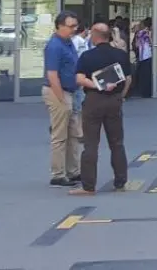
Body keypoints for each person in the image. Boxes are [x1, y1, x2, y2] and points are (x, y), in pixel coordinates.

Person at [69, 24, 133, 196]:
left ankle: (88, 186)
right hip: (114, 101)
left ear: (95, 36)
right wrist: (121, 96)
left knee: (90, 144)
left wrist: (97, 85)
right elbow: (128, 79)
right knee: (117, 143)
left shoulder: (87, 56)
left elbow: (79, 79)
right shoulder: (120, 55)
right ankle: (120, 182)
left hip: (94, 100)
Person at [43, 11, 83, 187]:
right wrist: (61, 99)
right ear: (59, 26)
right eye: (70, 26)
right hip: (58, 92)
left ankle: (73, 171)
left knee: (73, 134)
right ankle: (58, 174)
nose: (74, 29)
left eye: (75, 26)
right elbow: (52, 75)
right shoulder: (54, 46)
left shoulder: (68, 43)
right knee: (60, 135)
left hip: (70, 91)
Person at [132, 18, 154, 98]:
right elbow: (152, 44)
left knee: (143, 75)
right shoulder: (145, 33)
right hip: (148, 55)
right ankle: (147, 92)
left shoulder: (140, 33)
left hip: (143, 56)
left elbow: (137, 45)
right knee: (147, 75)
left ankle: (144, 92)